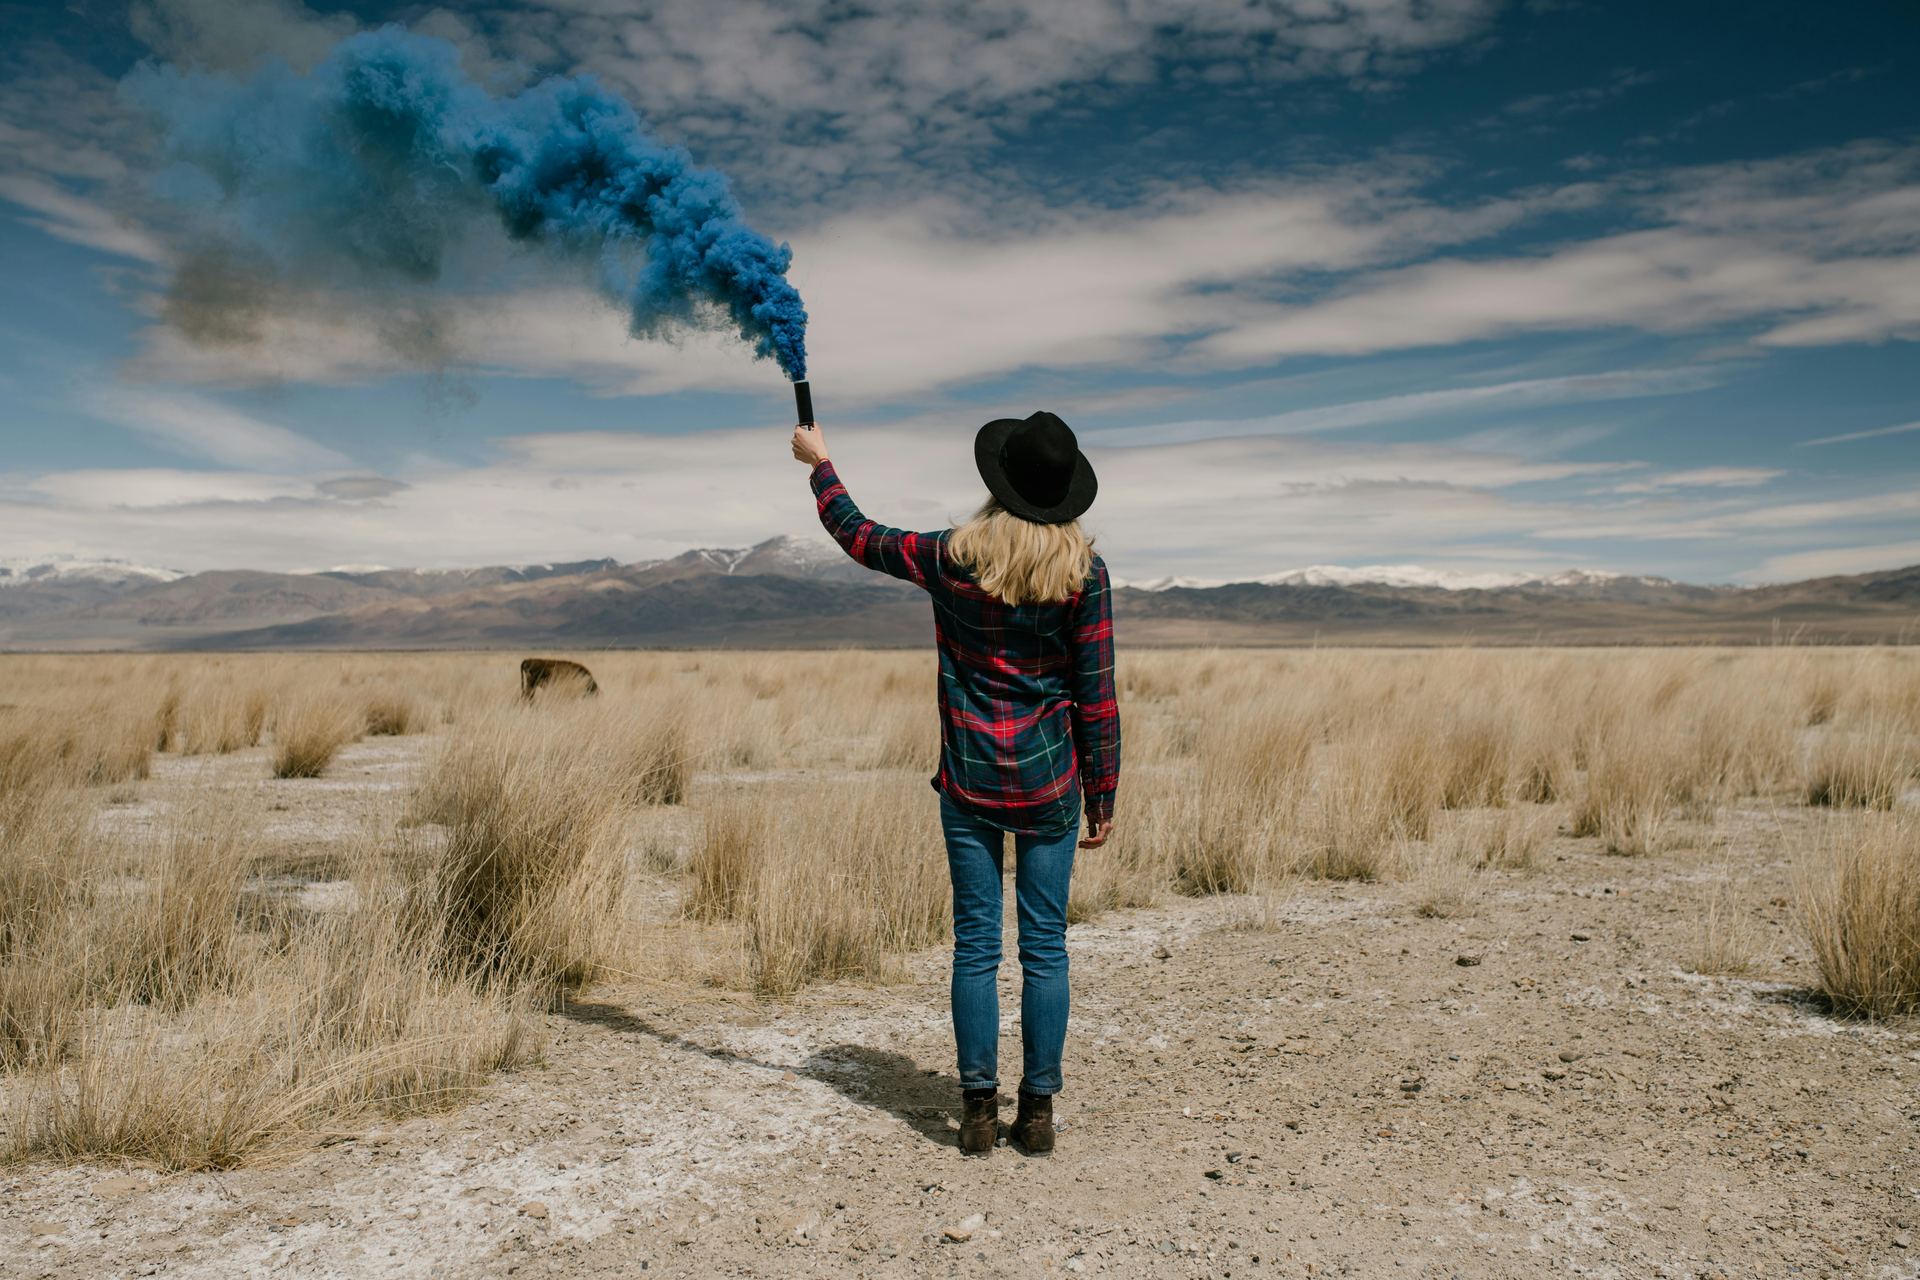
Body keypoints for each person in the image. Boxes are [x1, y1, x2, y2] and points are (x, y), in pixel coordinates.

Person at [791, 410, 1120, 1158]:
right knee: (1045, 948)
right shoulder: (1084, 575)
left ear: (998, 486)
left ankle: (976, 1112)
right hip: (1050, 787)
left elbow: (858, 534)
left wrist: (821, 465)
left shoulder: (950, 557)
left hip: (969, 783)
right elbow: (1096, 696)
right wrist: (1102, 795)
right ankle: (1035, 1113)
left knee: (975, 946)